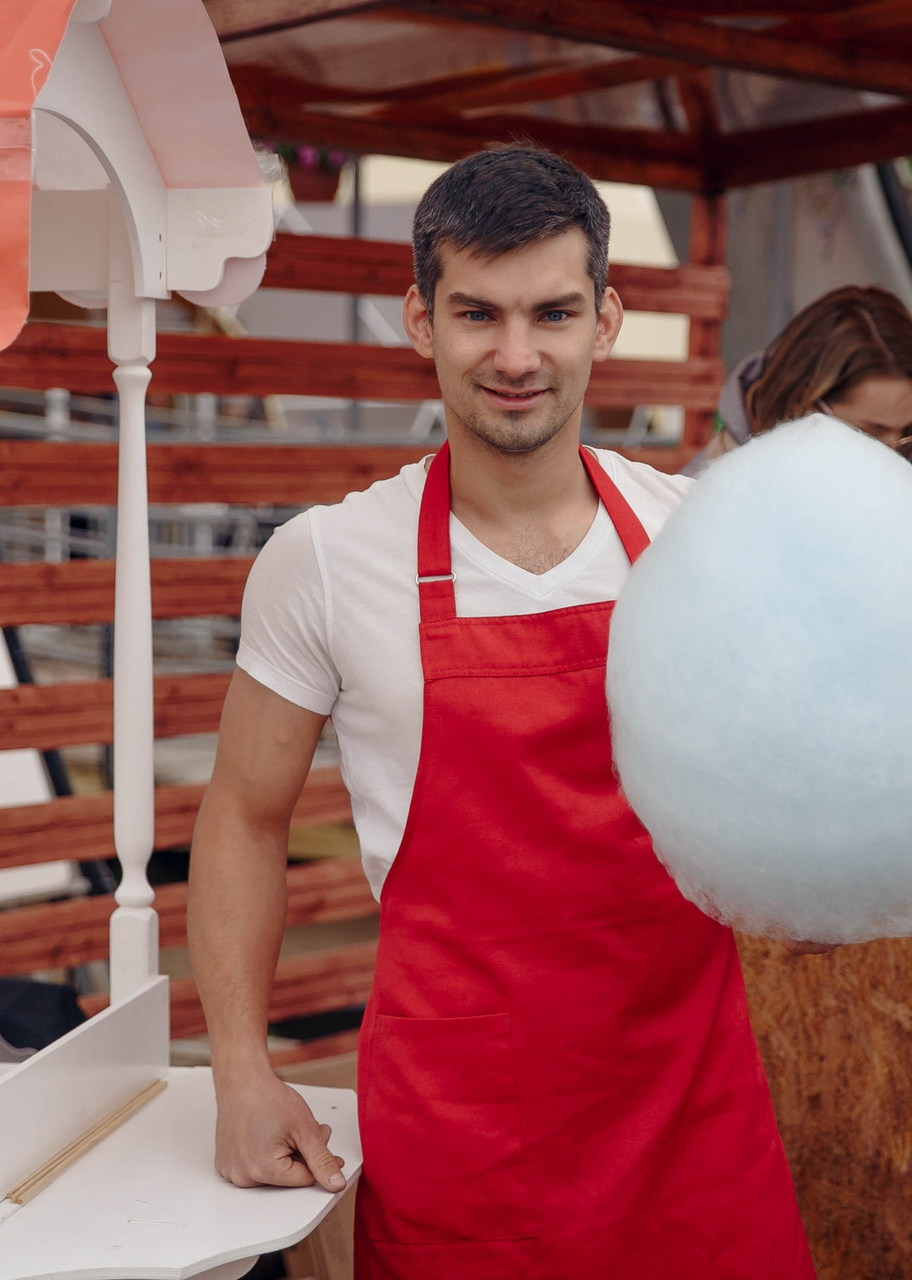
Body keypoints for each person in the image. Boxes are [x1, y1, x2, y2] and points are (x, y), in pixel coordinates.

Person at [187, 145, 816, 1279]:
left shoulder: (701, 536)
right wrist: (242, 1067)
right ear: (419, 321)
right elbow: (243, 815)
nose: (517, 357)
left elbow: (782, 780)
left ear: (606, 321)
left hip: (690, 1113)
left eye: (553, 313)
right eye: (478, 313)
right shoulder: (325, 561)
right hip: (466, 1130)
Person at [692, 284, 912, 778]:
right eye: (871, 432)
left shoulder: (902, 446)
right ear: (804, 402)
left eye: (906, 430)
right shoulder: (699, 496)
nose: (892, 454)